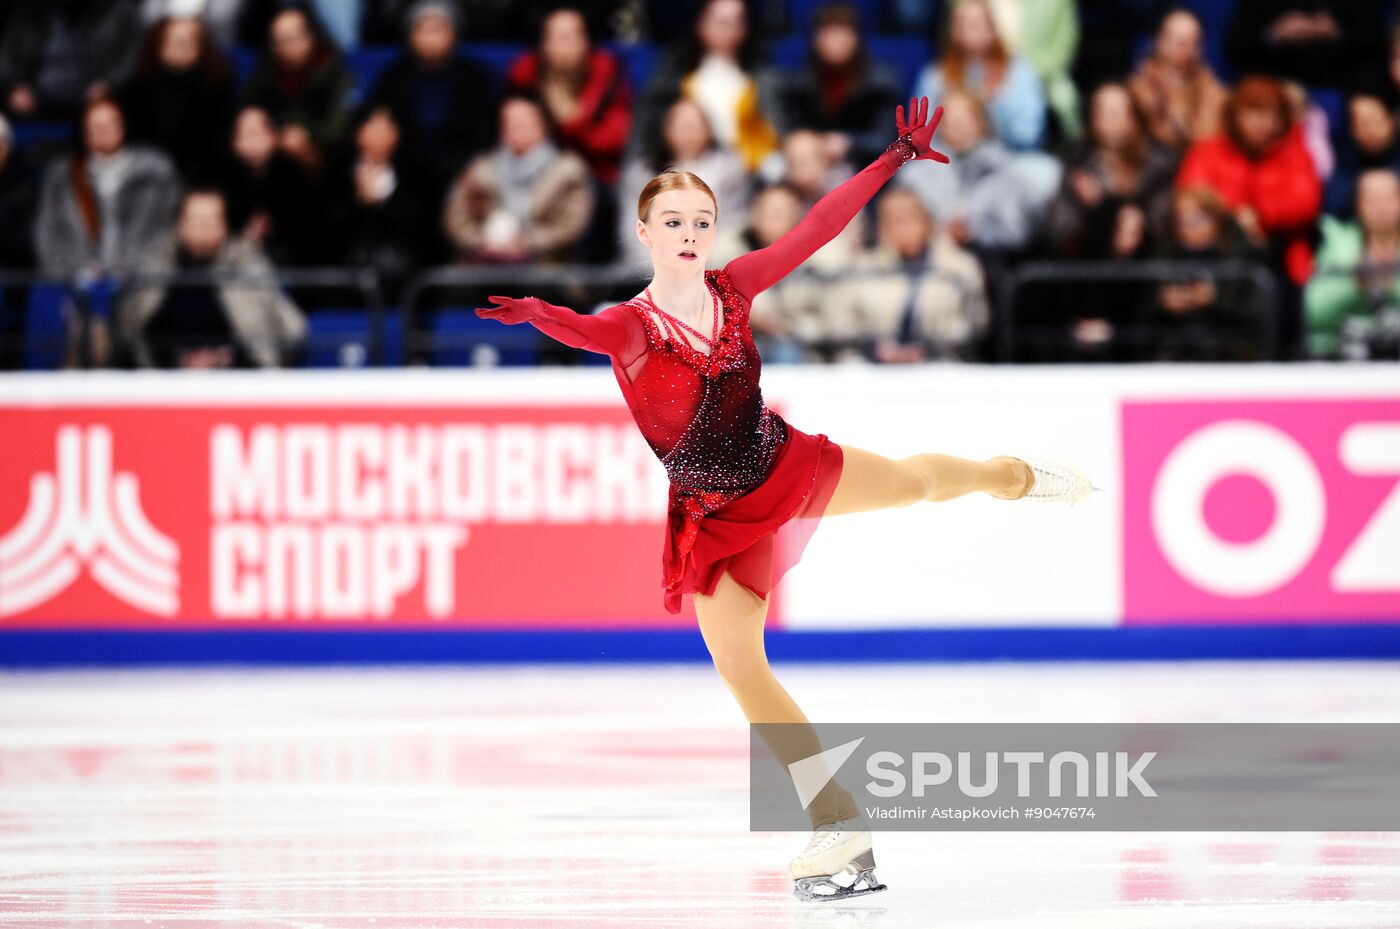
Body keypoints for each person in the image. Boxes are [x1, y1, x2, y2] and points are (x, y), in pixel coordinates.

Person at [472, 96, 1097, 902]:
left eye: (701, 219)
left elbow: (815, 232)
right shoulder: (633, 326)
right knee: (743, 667)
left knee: (911, 481)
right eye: (673, 221)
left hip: (782, 464)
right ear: (645, 232)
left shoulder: (734, 288)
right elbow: (586, 329)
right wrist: (539, 312)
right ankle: (839, 823)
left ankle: (1012, 475)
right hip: (715, 515)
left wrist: (890, 161)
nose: (689, 233)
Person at [118, 188, 306, 368]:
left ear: (225, 225)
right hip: (162, 385)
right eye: (196, 220)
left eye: (212, 221)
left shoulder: (247, 264)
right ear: (179, 224)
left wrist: (223, 359)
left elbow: (291, 328)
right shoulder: (157, 264)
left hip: (242, 384)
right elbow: (130, 329)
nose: (204, 229)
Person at [1176, 75, 1322, 287]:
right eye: (1252, 113)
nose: (1261, 123)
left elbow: (1306, 202)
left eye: (1269, 114)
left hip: (1281, 254)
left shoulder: (1295, 152)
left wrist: (1260, 216)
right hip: (1218, 249)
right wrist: (1235, 218)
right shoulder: (1207, 151)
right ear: (1235, 115)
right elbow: (1191, 197)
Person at [834, 185, 989, 362]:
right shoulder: (863, 267)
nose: (900, 226)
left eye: (908, 217)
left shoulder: (959, 267)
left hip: (939, 358)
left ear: (926, 220)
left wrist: (927, 348)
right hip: (872, 359)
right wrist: (875, 347)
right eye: (890, 219)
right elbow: (843, 321)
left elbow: (973, 322)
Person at [443, 91, 595, 264]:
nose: (515, 129)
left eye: (523, 123)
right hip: (484, 262)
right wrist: (481, 241)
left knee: (535, 286)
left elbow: (571, 226)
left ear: (544, 125)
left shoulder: (568, 171)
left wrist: (527, 242)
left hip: (547, 264)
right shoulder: (479, 170)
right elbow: (455, 218)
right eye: (509, 123)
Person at [364, 0, 496, 198]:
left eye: (439, 29)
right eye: (425, 30)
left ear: (454, 34)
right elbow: (376, 121)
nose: (432, 38)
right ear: (411, 36)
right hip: (404, 170)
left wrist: (470, 165)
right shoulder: (393, 77)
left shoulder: (476, 77)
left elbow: (486, 132)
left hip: (462, 167)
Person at [630, 0, 781, 172]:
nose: (731, 29)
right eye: (722, 22)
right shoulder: (671, 79)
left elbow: (778, 132)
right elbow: (644, 138)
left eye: (738, 21)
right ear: (701, 24)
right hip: (687, 169)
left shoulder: (764, 78)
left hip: (753, 173)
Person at [506, 6, 632, 185]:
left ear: (586, 43)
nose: (563, 46)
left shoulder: (607, 74)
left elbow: (617, 138)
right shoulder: (526, 75)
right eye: (555, 37)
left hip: (595, 174)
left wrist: (573, 123)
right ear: (543, 45)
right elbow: (511, 133)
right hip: (532, 170)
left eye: (569, 38)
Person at [617, 96, 748, 268]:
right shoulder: (641, 174)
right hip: (655, 268)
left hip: (712, 265)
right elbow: (633, 229)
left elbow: (734, 223)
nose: (688, 130)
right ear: (666, 130)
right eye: (681, 124)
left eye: (694, 124)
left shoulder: (731, 170)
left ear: (709, 130)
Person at [774, 2, 902, 167]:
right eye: (829, 34)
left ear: (857, 39)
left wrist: (849, 143)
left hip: (865, 167)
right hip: (810, 163)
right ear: (815, 40)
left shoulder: (881, 84)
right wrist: (814, 144)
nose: (837, 41)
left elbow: (887, 140)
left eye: (844, 34)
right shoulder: (799, 85)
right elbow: (787, 133)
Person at [913, 0, 1047, 151]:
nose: (966, 31)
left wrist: (993, 106)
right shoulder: (934, 77)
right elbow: (918, 137)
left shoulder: (1021, 73)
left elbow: (1028, 135)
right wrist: (952, 124)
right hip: (947, 160)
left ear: (992, 29)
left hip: (1007, 158)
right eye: (959, 24)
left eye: (975, 24)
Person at [119, 15, 238, 184]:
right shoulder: (136, 90)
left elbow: (219, 147)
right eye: (174, 41)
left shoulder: (218, 88)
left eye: (190, 41)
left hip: (204, 180)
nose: (182, 48)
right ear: (158, 45)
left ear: (202, 46)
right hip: (149, 178)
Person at [241, 3, 354, 174]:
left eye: (290, 39)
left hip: (329, 165)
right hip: (273, 162)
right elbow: (248, 108)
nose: (283, 47)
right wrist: (277, 136)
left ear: (310, 38)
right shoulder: (267, 71)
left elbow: (338, 131)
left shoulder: (336, 72)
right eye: (277, 41)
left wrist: (305, 137)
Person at [1306, 167, 1400, 359]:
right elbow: (1313, 309)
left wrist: (1392, 284)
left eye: (1389, 198)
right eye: (1372, 200)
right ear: (1358, 205)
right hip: (1340, 356)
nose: (1381, 207)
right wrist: (1354, 285)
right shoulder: (1337, 241)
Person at [0, 0, 141, 122]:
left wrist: (109, 83)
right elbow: (7, 53)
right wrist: (13, 86)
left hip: (94, 96)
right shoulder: (30, 9)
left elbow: (132, 54)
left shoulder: (116, 8)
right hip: (36, 100)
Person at [1127, 7, 1228, 154]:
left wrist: (1178, 110)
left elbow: (1210, 139)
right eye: (1180, 43)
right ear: (1158, 42)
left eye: (1194, 43)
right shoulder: (1136, 88)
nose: (1188, 51)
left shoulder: (1213, 90)